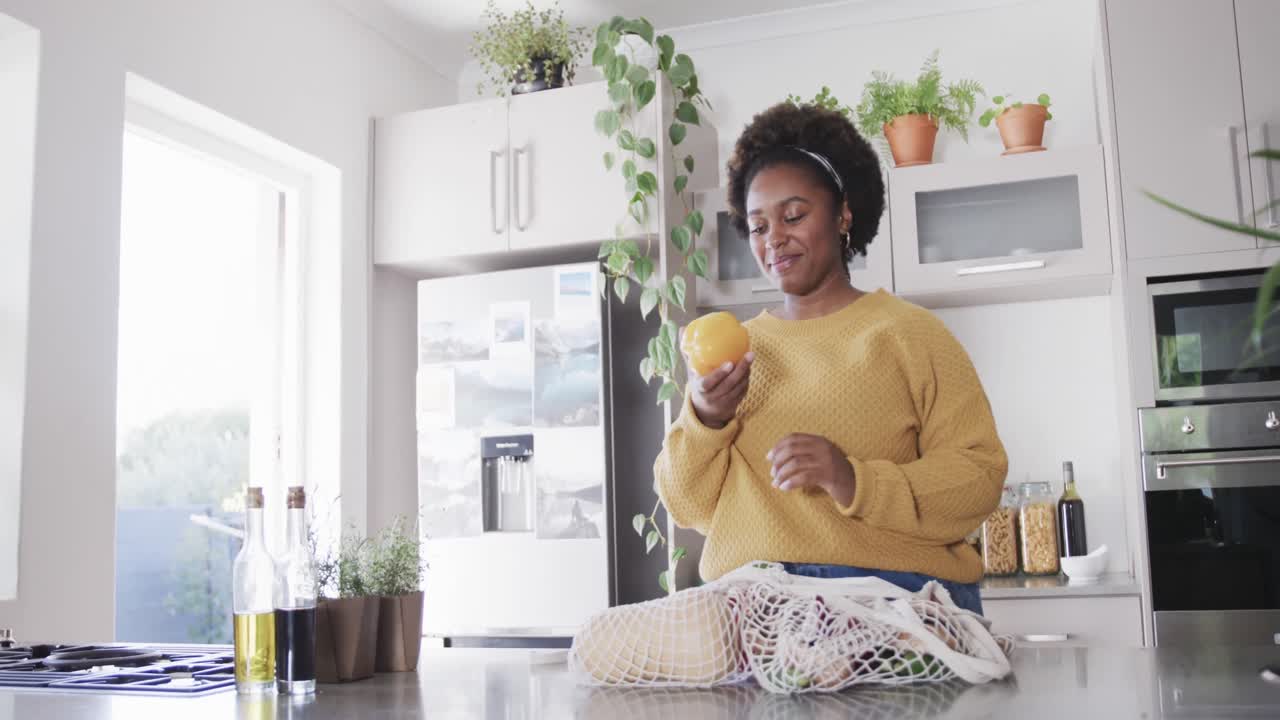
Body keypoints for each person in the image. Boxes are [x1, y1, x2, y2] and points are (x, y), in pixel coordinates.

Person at [653, 102, 1007, 614]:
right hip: (756, 622)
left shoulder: (909, 334)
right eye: (756, 226)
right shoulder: (738, 352)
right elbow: (686, 505)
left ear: (843, 213)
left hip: (894, 614)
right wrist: (706, 417)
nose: (773, 238)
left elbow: (978, 481)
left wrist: (852, 479)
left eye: (793, 215)